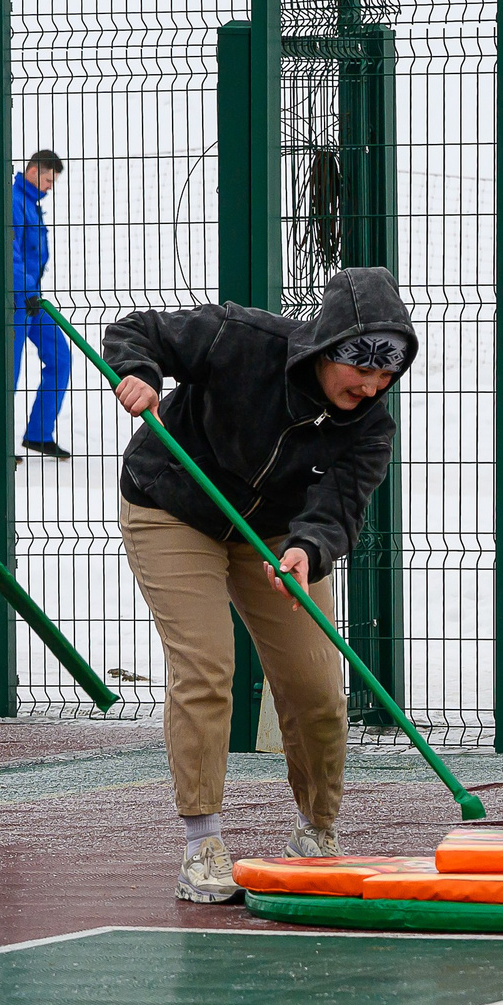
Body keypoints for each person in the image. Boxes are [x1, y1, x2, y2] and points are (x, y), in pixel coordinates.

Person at [101, 267, 411, 903]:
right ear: (327, 348)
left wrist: (308, 548)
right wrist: (140, 373)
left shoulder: (371, 422)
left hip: (273, 532)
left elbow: (340, 505)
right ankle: (202, 840)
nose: (373, 384)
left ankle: (318, 831)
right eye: (362, 367)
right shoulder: (239, 338)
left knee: (317, 684)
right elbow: (136, 332)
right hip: (173, 503)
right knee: (206, 666)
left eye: (388, 372)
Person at [0, 148, 73, 462]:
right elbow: (4, 249)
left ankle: (38, 434)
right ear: (32, 171)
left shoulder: (31, 204)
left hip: (33, 298)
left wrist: (33, 292)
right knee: (7, 368)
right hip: (14, 299)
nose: (49, 186)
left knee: (61, 358)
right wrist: (25, 290)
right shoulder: (11, 201)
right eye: (47, 179)